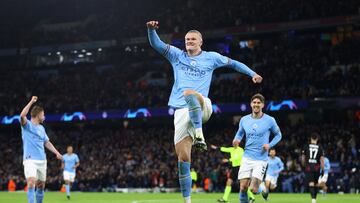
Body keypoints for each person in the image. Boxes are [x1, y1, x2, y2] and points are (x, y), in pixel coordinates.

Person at [147, 20, 262, 203]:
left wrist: (252, 74)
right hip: (181, 113)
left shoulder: (211, 57)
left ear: (201, 42)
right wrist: (151, 30)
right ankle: (187, 201)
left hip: (202, 106)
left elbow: (234, 64)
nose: (189, 41)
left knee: (190, 93)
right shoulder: (177, 55)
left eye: (193, 39)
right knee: (183, 158)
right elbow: (157, 44)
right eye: (186, 39)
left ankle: (200, 134)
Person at [232, 93, 282, 203]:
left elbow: (279, 135)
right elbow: (240, 133)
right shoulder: (244, 120)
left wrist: (269, 145)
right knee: (243, 187)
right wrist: (237, 140)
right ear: (251, 104)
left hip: (261, 159)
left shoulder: (270, 120)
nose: (256, 104)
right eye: (254, 102)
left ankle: (262, 187)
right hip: (247, 157)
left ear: (263, 105)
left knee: (253, 189)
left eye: (258, 103)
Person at [20, 96, 63, 203]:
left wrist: (57, 152)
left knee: (40, 186)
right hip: (30, 159)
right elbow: (22, 115)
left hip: (42, 160)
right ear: (38, 114)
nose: (44, 116)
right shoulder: (27, 125)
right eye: (43, 114)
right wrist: (31, 102)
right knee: (31, 182)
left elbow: (46, 142)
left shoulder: (41, 128)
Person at [301, 133, 324, 203]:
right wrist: (322, 169)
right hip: (317, 167)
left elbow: (303, 158)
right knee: (316, 183)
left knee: (311, 183)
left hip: (309, 167)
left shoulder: (306, 146)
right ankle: (315, 198)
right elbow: (322, 159)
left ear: (311, 139)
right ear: (317, 139)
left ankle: (313, 199)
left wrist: (303, 165)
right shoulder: (320, 147)